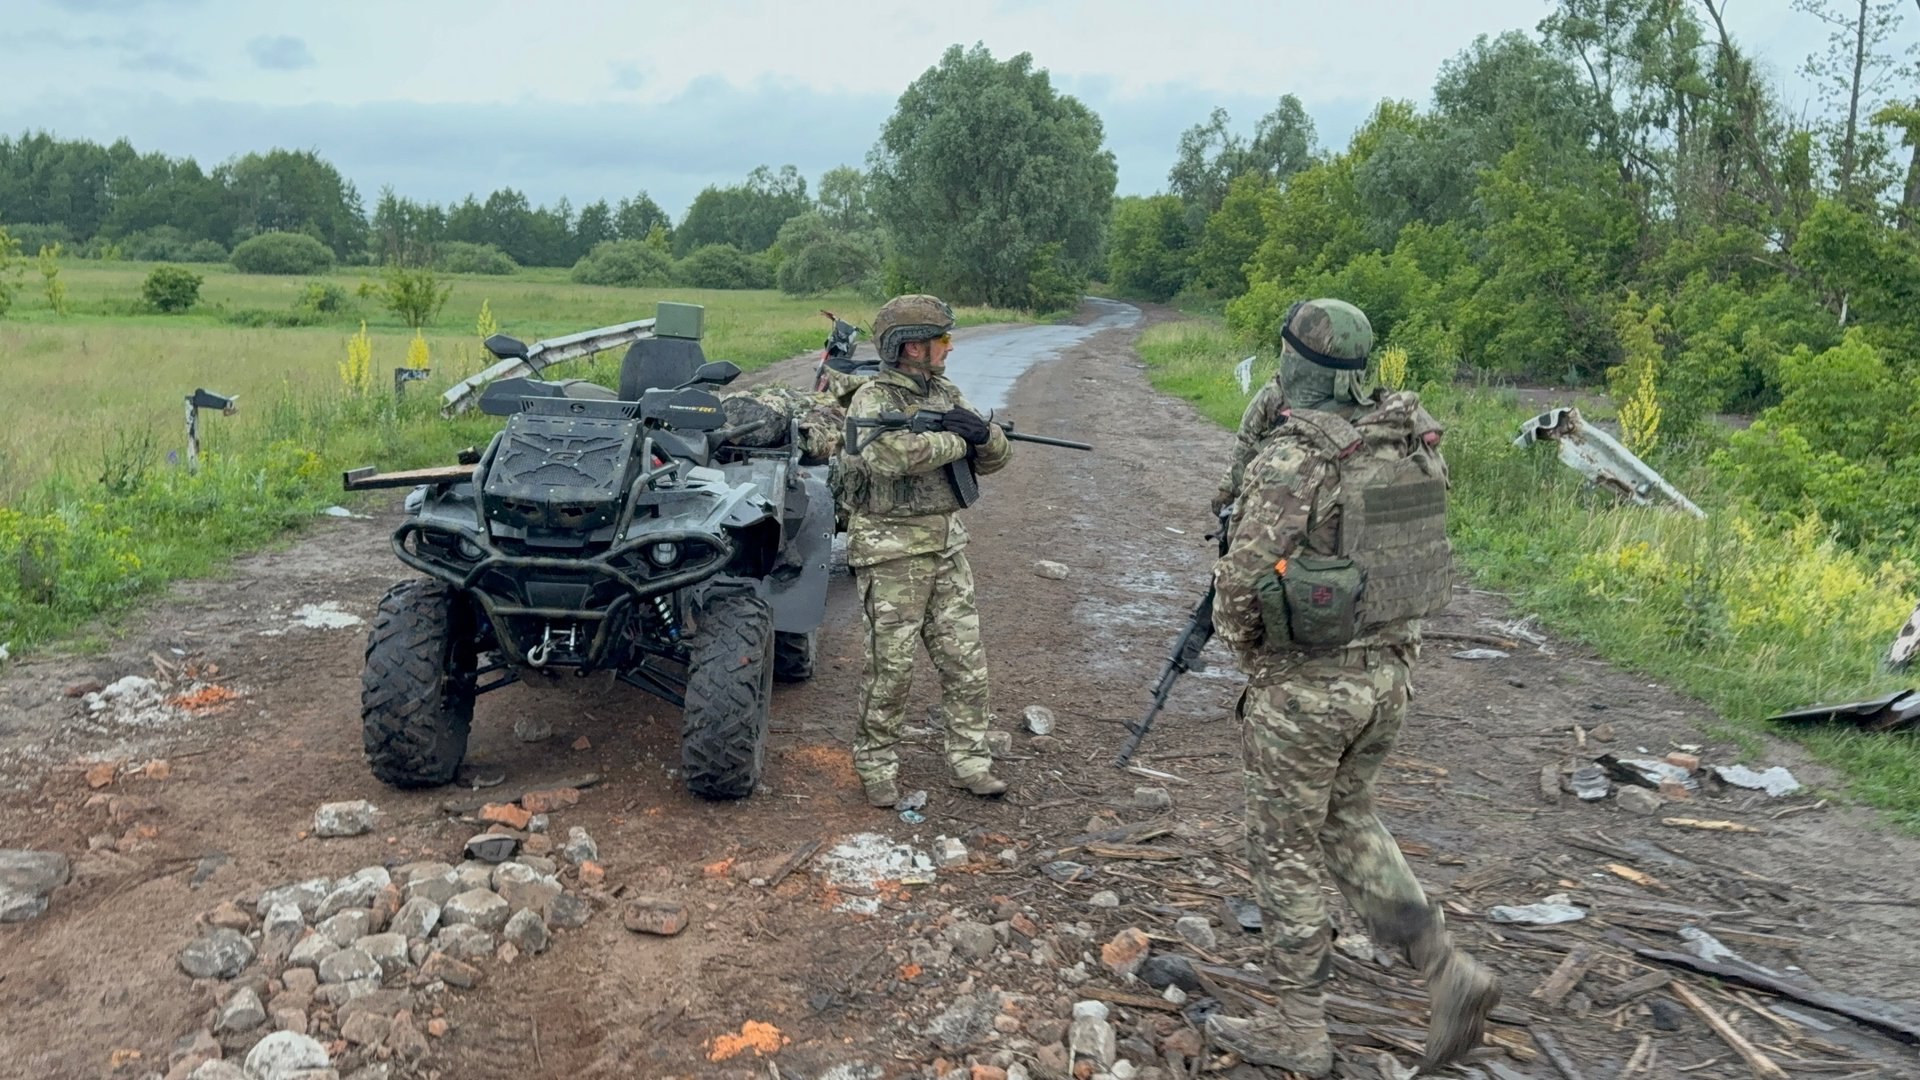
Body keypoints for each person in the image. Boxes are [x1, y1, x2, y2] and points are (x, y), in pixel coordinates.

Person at [1205, 299, 1499, 1075]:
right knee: (1349, 822)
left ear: (1292, 361)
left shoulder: (1294, 460)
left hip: (1307, 692)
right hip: (1389, 681)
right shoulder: (1407, 440)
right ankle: (1448, 971)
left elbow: (1237, 584)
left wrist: (1251, 659)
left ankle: (1299, 1033)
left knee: (1283, 849)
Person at [843, 294, 1013, 808]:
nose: (950, 347)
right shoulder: (872, 399)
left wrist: (984, 435)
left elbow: (996, 458)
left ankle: (970, 762)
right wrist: (961, 442)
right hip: (891, 552)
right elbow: (891, 456)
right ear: (912, 347)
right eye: (942, 339)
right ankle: (876, 765)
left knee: (966, 662)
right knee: (890, 669)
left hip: (945, 547)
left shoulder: (946, 391)